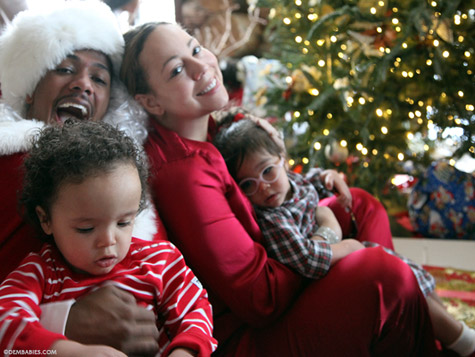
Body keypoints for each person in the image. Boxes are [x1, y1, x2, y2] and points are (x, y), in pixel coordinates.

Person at [121, 22, 442, 356]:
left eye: (196, 49)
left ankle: (418, 331)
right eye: (176, 70)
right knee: (382, 275)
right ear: (151, 102)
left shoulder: (214, 129)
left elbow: (276, 198)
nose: (202, 67)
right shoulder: (184, 176)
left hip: (282, 262)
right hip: (245, 338)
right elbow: (262, 299)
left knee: (358, 205)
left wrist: (320, 203)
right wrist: (327, 242)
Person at [213, 113, 475, 356]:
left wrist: (328, 176)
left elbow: (310, 181)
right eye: (248, 184)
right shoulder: (273, 219)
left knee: (416, 276)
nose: (265, 187)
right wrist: (344, 242)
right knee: (392, 270)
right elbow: (307, 261)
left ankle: (450, 333)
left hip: (332, 255)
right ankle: (462, 341)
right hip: (317, 278)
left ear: (282, 159)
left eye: (267, 171)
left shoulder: (291, 182)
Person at [0, 1, 162, 354]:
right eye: (64, 69)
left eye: (99, 78)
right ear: (30, 86)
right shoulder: (12, 164)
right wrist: (62, 321)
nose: (83, 85)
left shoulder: (125, 175)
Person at [0, 119, 217, 356]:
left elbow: (196, 311)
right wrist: (67, 351)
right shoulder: (40, 273)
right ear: (46, 220)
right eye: (86, 228)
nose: (108, 241)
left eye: (124, 223)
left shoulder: (160, 260)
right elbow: (4, 324)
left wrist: (185, 351)